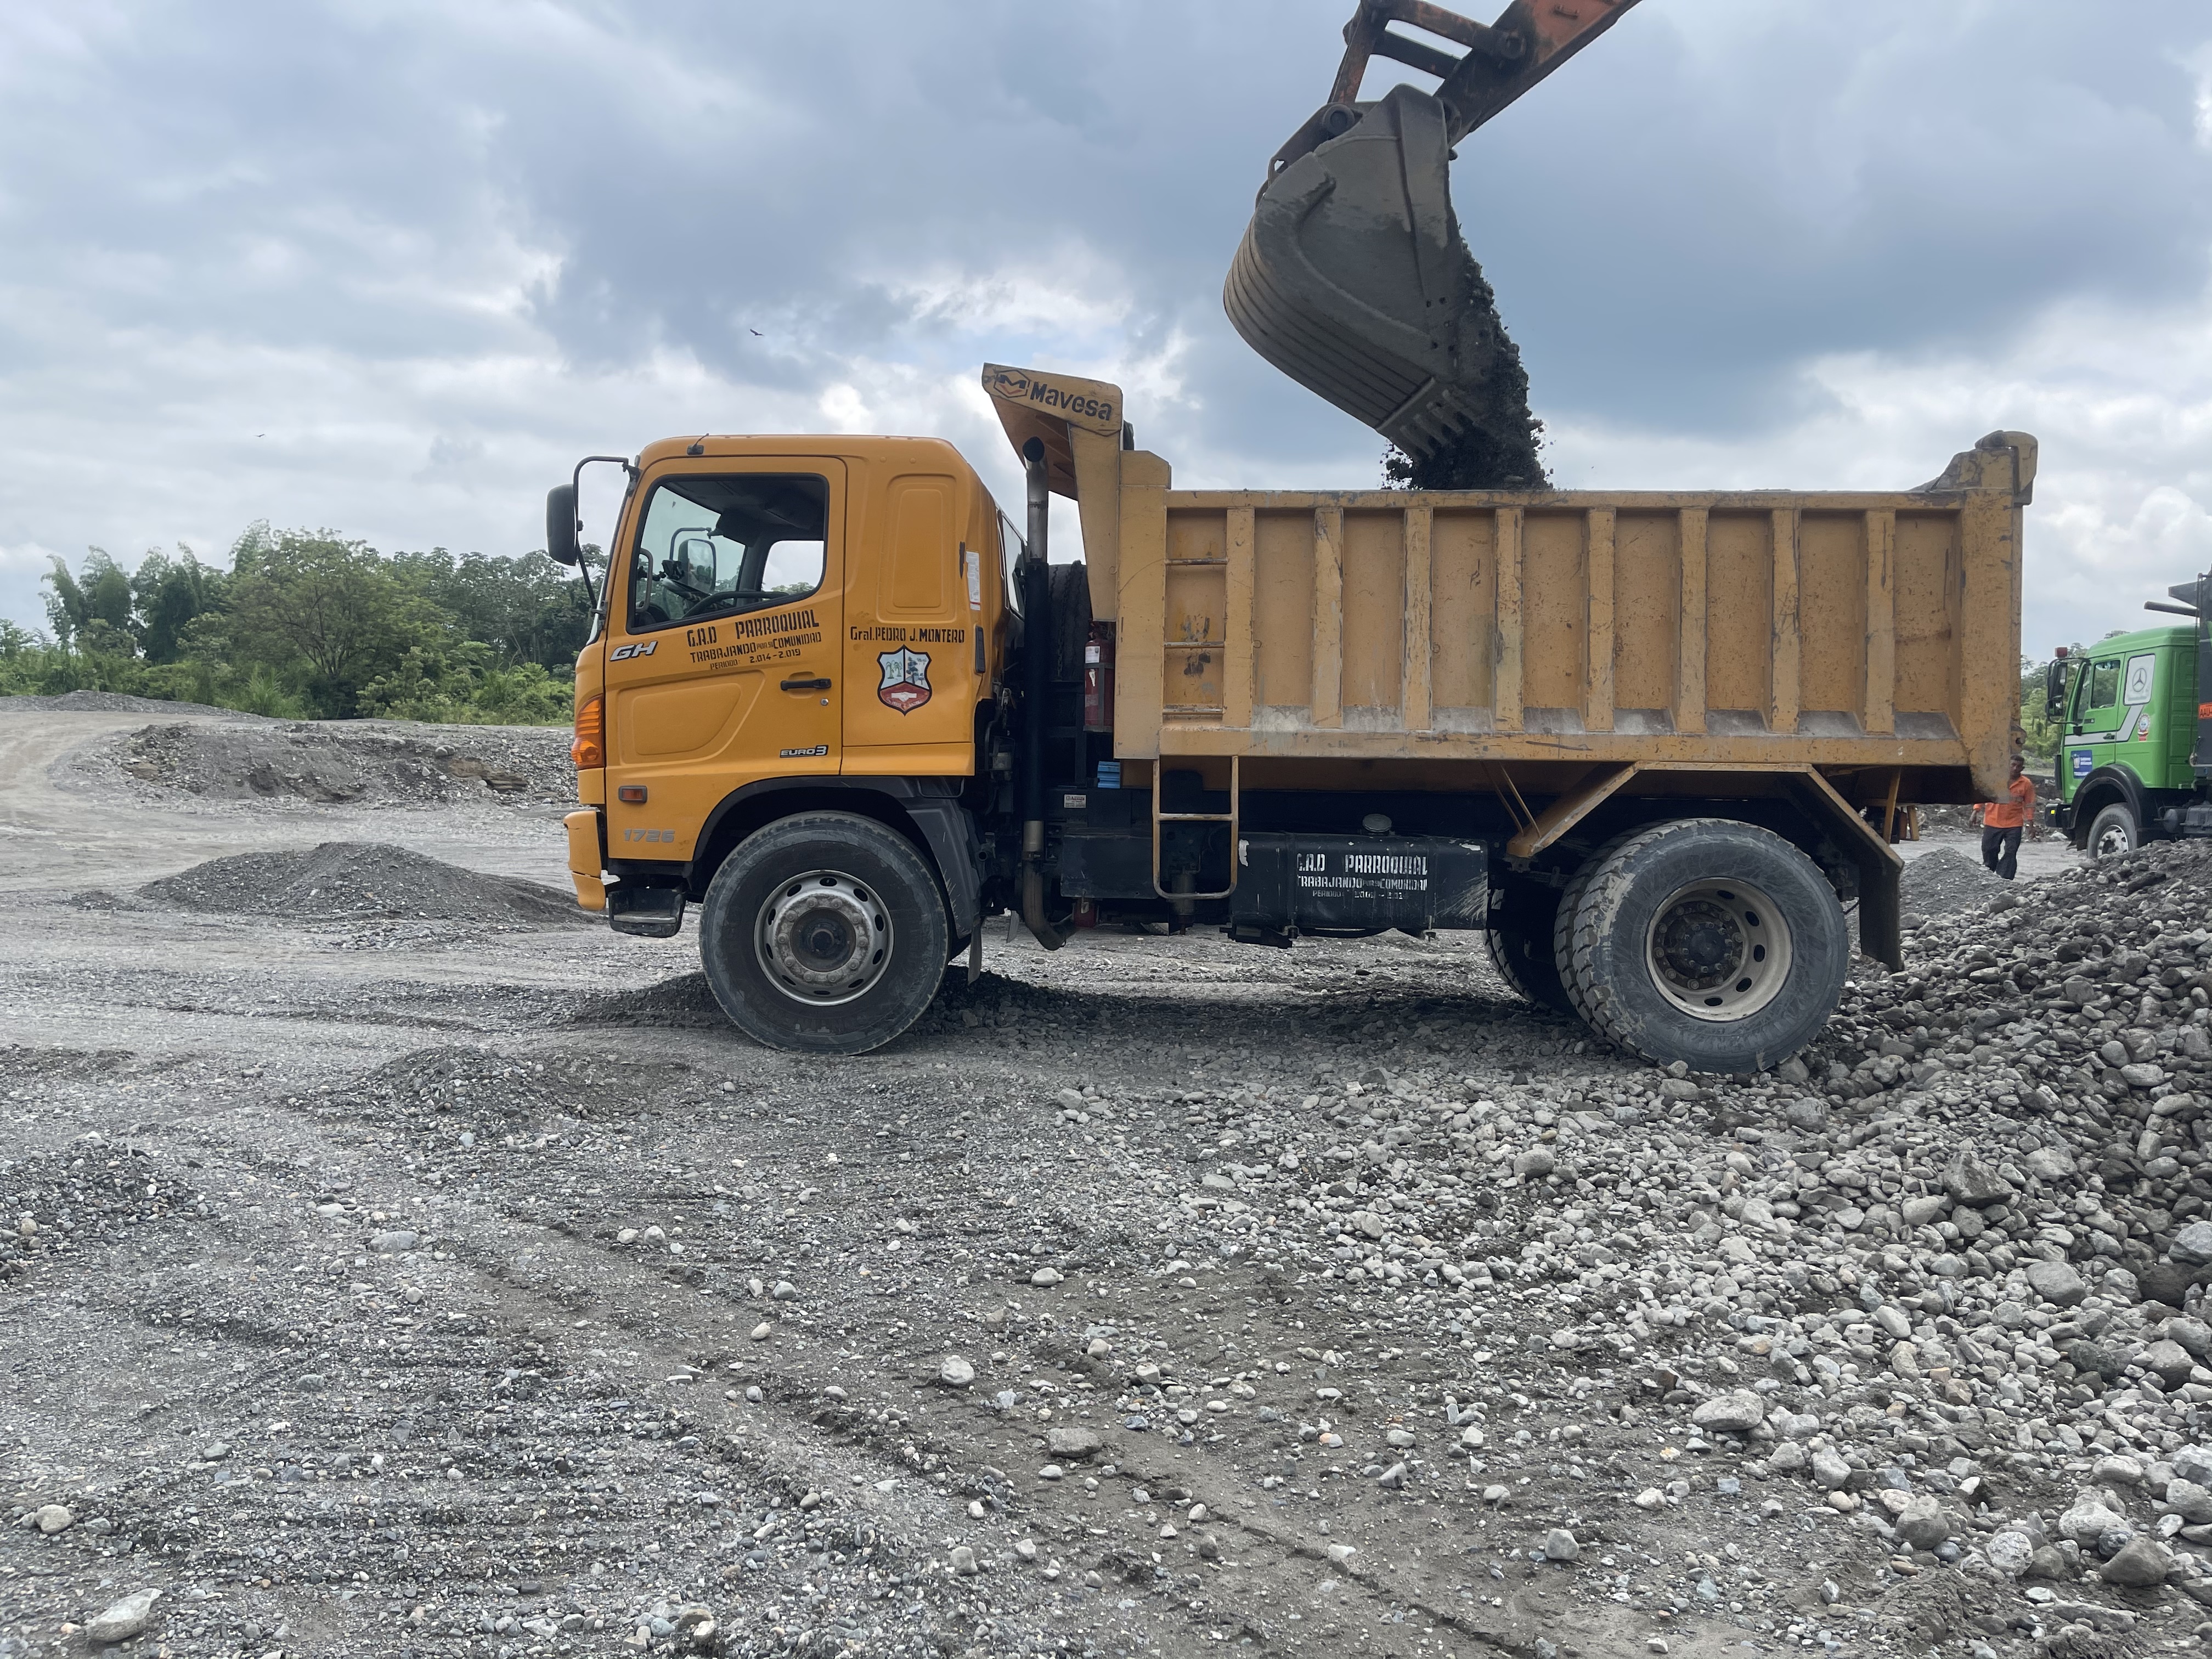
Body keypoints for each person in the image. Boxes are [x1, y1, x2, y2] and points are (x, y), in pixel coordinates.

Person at [1973, 755, 2034, 880]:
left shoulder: (2026, 784)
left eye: (2019, 766)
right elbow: (1982, 795)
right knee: (1989, 850)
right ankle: (1989, 873)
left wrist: (2031, 824)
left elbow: (2030, 804)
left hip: (2014, 824)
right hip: (1992, 822)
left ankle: (2005, 878)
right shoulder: (1995, 780)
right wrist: (1976, 811)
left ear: (2022, 768)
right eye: (2013, 765)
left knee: (2011, 851)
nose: (2015, 768)